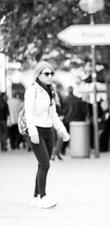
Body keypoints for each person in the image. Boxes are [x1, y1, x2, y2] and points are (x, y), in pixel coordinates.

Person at [25, 61, 70, 208]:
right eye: (46, 73)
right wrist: (32, 132)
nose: (50, 76)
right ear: (38, 75)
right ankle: (43, 197)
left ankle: (35, 197)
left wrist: (62, 131)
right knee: (45, 163)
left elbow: (54, 115)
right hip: (36, 131)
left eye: (52, 73)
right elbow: (28, 114)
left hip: (49, 131)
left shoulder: (51, 91)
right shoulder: (32, 91)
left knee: (42, 164)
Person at [62, 86, 87, 154]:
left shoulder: (65, 100)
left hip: (67, 120)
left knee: (67, 135)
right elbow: (83, 111)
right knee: (76, 136)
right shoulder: (78, 100)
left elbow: (63, 111)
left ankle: (63, 149)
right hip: (77, 120)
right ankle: (77, 149)